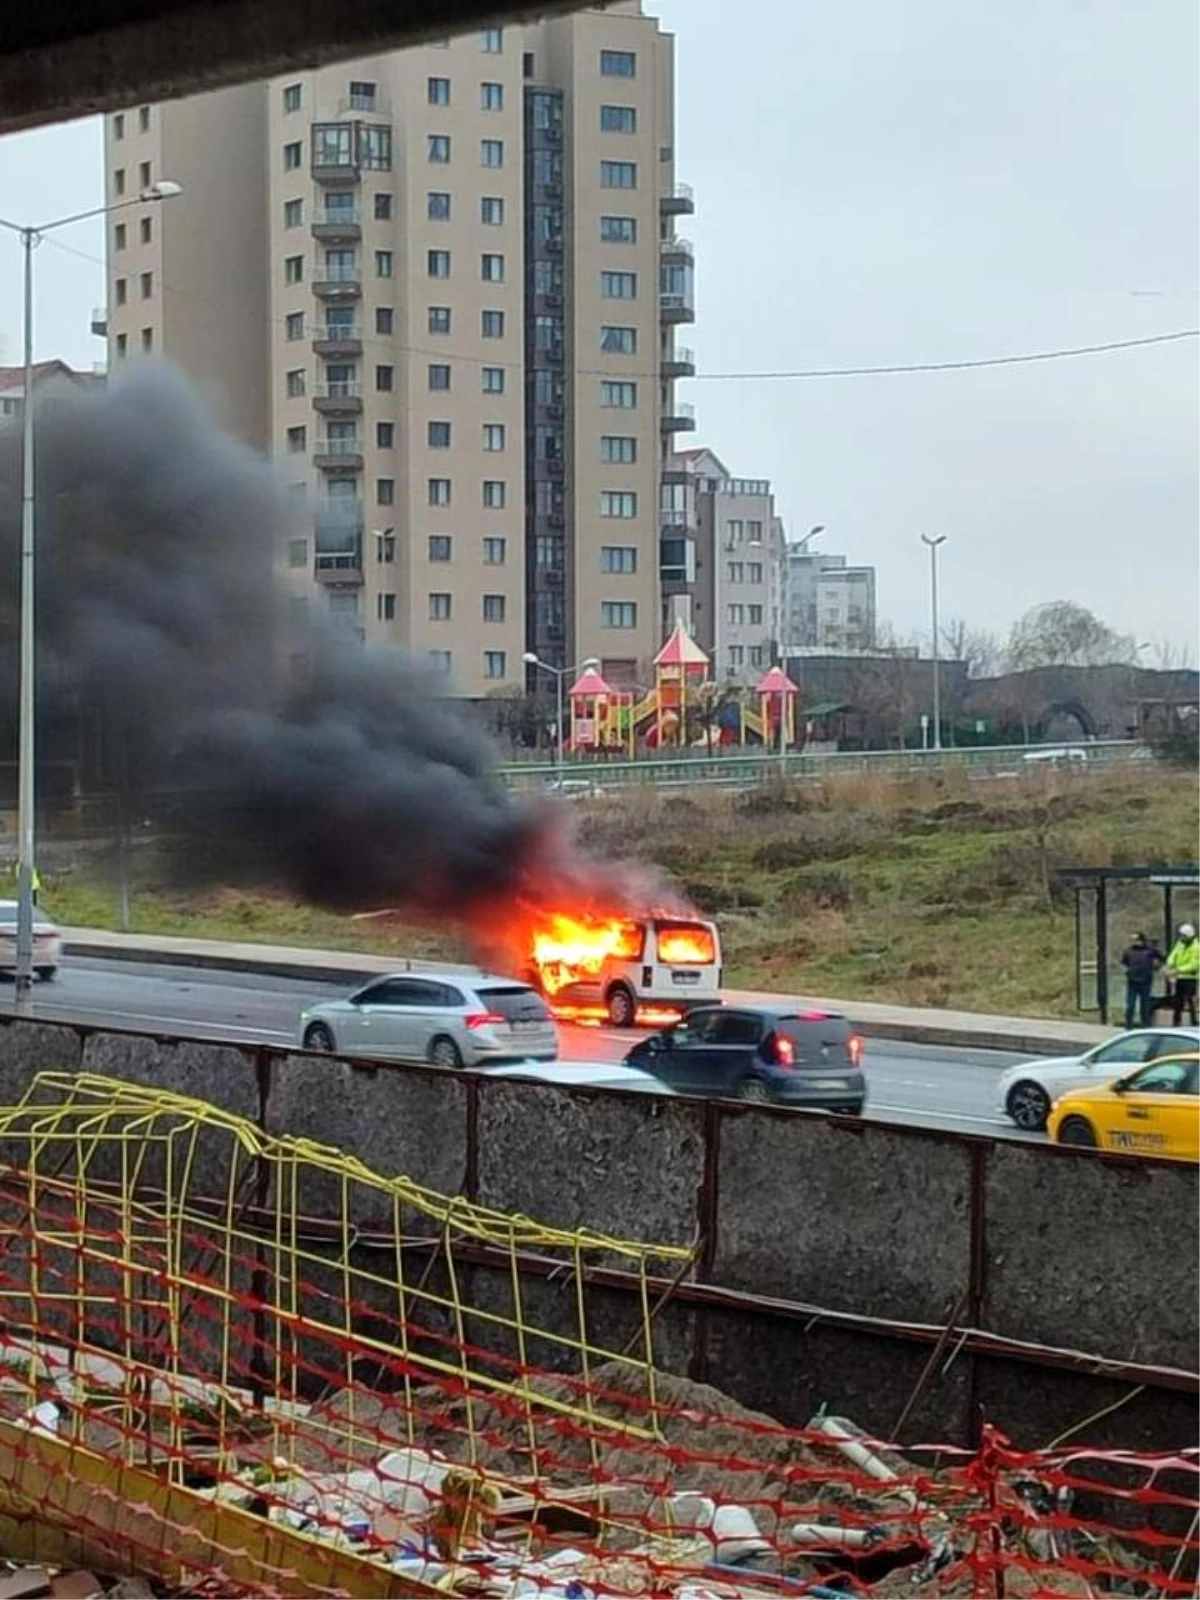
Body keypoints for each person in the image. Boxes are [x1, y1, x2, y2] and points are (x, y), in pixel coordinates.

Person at [1120, 931, 1162, 1029]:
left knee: (1145, 1005)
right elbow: (1123, 963)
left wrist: (1157, 967)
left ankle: (1146, 1026)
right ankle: (1128, 1026)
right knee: (1130, 1006)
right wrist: (1126, 970)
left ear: (1142, 940)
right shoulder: (1128, 951)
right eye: (1132, 940)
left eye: (1136, 940)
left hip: (1145, 981)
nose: (1134, 942)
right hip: (1132, 982)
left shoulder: (1150, 950)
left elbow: (1162, 958)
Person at [1166, 923, 1200, 1026]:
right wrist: (1170, 965)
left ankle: (1194, 1023)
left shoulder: (1196, 947)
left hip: (1190, 978)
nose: (1181, 938)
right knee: (1178, 1003)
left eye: (1183, 936)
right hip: (1179, 978)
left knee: (1191, 1003)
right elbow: (1173, 955)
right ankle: (1176, 1023)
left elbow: (1194, 965)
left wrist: (1178, 970)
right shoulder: (1180, 944)